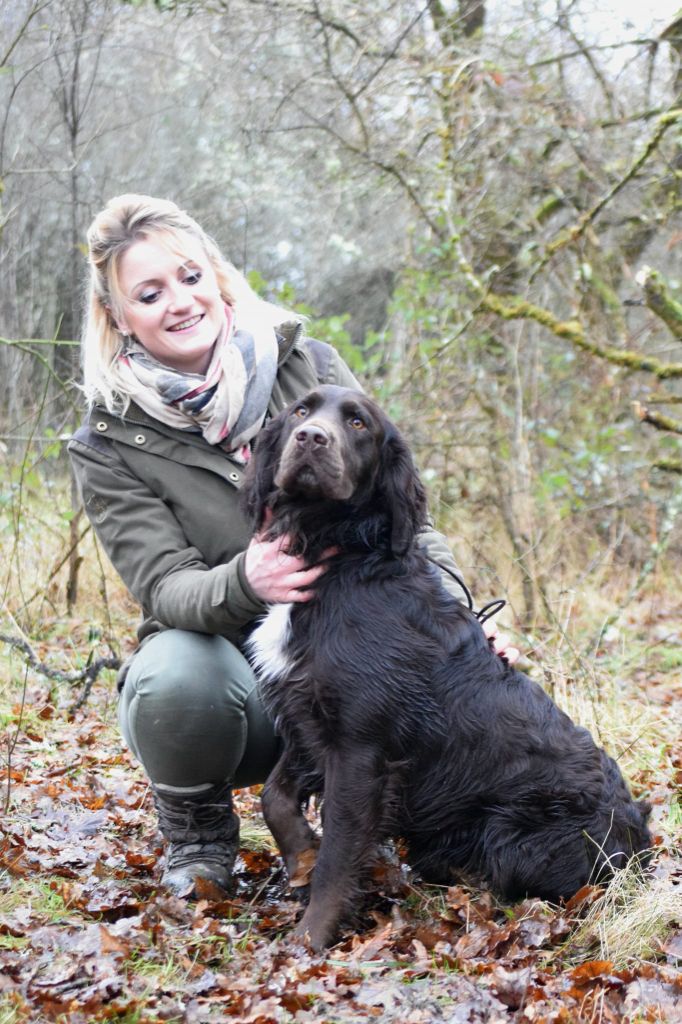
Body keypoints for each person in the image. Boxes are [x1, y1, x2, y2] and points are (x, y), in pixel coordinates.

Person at [68, 194, 519, 898]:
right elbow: (166, 587)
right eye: (149, 294)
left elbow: (402, 513)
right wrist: (249, 579)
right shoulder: (107, 440)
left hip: (353, 660)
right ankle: (199, 840)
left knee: (453, 703)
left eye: (190, 277)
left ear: (216, 277)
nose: (179, 302)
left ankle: (439, 839)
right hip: (237, 681)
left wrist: (466, 623)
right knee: (174, 677)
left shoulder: (307, 362)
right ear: (119, 318)